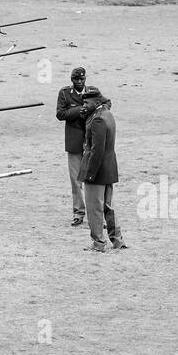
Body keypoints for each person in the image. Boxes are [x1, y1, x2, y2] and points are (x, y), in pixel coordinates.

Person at [79, 92, 126, 253]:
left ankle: (98, 243)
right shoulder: (107, 114)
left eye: (87, 102)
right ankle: (117, 240)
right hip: (108, 169)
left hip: (97, 171)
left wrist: (90, 174)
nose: (84, 105)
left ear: (96, 102)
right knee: (108, 206)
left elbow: (96, 150)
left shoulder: (98, 118)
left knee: (94, 208)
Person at [56, 66, 88, 227]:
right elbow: (60, 114)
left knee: (93, 180)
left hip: (90, 142)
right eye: (77, 79)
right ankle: (78, 212)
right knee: (76, 181)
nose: (80, 82)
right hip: (74, 142)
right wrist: (79, 110)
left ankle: (97, 214)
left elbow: (106, 105)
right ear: (72, 80)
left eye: (82, 79)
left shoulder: (92, 92)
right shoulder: (64, 93)